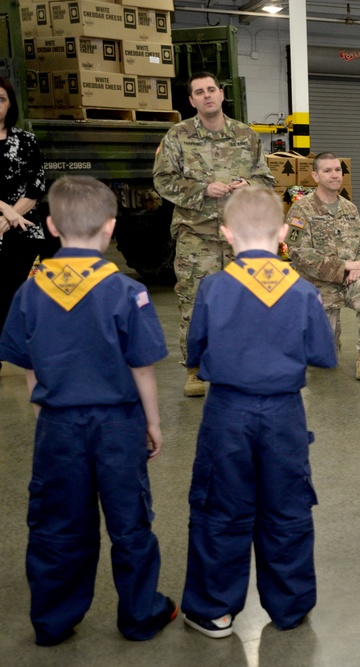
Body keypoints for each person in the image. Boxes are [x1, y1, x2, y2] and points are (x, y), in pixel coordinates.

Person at [0, 176, 176, 646]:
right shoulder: (125, 291)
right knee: (130, 523)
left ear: (52, 225)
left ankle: (54, 621)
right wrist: (153, 424)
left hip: (58, 426)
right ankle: (140, 615)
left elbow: (29, 365)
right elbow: (142, 367)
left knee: (57, 524)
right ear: (111, 228)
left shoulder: (30, 290)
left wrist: (44, 412)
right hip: (118, 425)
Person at [181, 186, 336, 638]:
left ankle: (215, 610)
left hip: (227, 412)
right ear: (284, 232)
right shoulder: (303, 291)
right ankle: (290, 607)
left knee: (220, 508)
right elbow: (324, 355)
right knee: (287, 507)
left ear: (226, 233)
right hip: (285, 415)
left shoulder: (213, 287)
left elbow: (196, 349)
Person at [152, 71, 275, 397]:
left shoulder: (246, 135)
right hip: (197, 235)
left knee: (244, 302)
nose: (207, 96)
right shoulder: (177, 136)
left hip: (240, 236)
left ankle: (242, 364)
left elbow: (267, 179)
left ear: (221, 95)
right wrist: (204, 190)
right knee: (195, 303)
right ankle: (194, 369)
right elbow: (163, 181)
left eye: (211, 90)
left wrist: (249, 186)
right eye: (199, 92)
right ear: (191, 100)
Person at [285, 152, 360, 380]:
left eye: (338, 170)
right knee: (323, 358)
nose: (334, 175)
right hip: (318, 284)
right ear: (315, 176)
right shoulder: (300, 210)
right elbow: (297, 253)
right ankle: (329, 341)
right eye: (327, 171)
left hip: (352, 281)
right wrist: (344, 267)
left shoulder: (350, 209)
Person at [0, 76, 47, 375]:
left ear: (10, 104)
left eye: (1, 98)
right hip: (10, 220)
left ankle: (16, 349)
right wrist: (5, 211)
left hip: (23, 229)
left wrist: (9, 219)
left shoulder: (26, 141)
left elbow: (37, 186)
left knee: (12, 293)